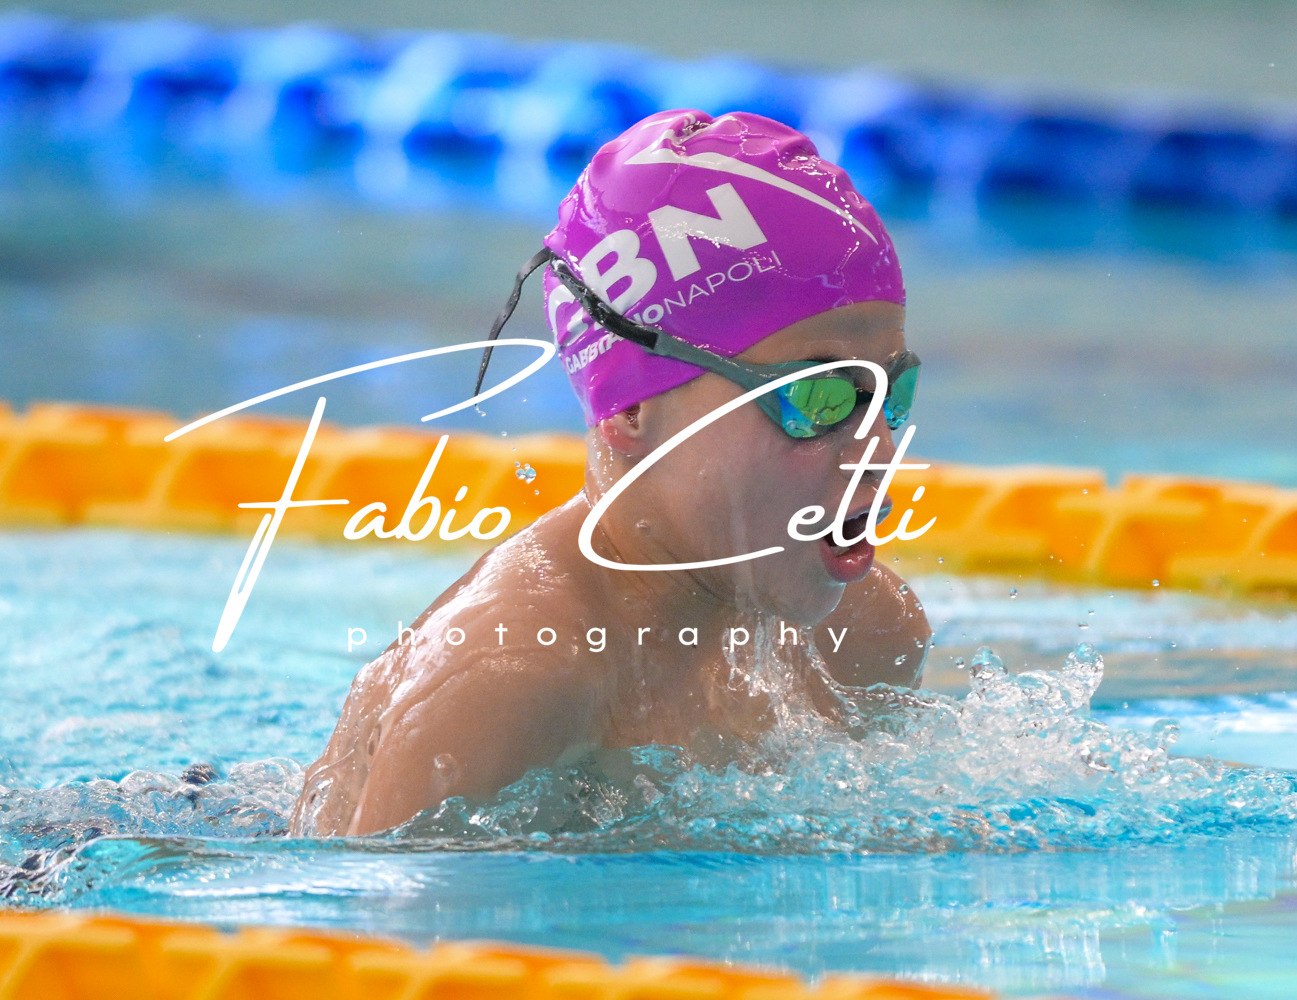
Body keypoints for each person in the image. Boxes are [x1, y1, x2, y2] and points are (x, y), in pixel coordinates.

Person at [294, 109, 931, 838]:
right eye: (818, 399)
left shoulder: (869, 635)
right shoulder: (511, 678)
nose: (880, 448)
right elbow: (362, 908)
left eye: (894, 392)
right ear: (630, 410)